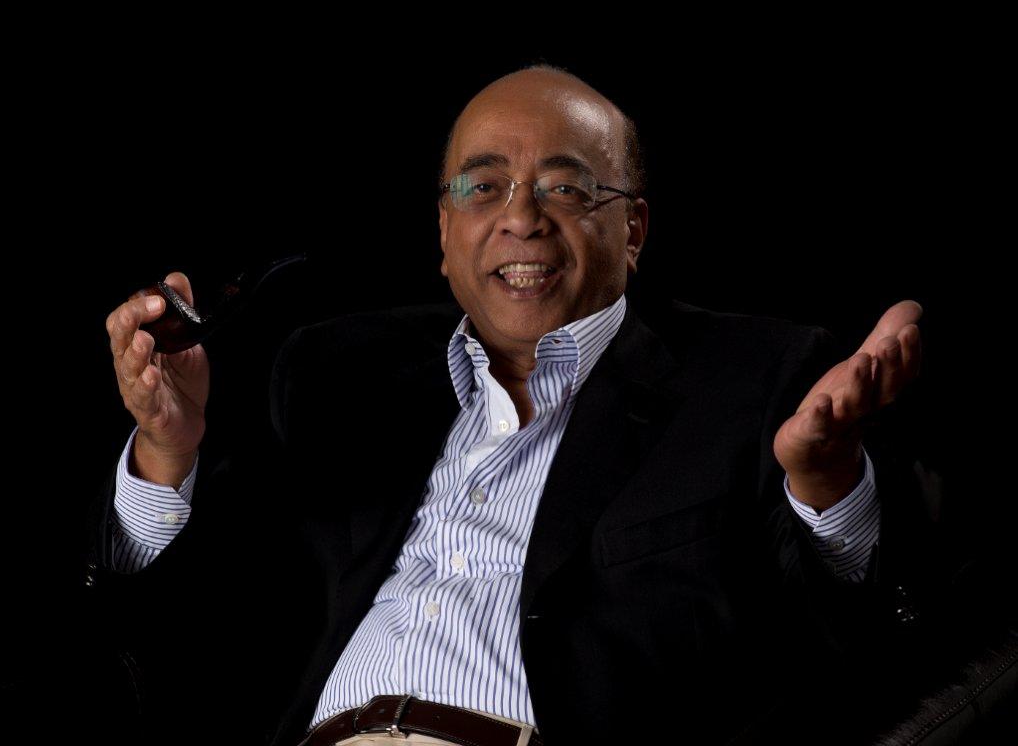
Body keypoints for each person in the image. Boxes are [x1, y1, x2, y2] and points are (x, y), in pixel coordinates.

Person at [89, 64, 934, 746]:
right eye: (483, 188)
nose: (521, 219)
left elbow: (866, 618)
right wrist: (167, 450)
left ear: (633, 231)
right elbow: (185, 623)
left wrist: (826, 479)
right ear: (443, 233)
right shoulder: (338, 376)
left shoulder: (752, 378)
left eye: (566, 190)